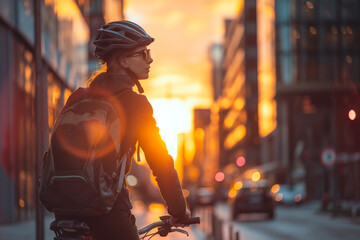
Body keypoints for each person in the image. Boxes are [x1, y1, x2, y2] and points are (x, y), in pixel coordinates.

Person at [55, 20, 190, 240]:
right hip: (107, 209)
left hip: (65, 211)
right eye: (143, 53)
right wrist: (178, 210)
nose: (150, 59)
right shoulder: (135, 103)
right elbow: (159, 160)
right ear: (124, 61)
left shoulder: (77, 97)